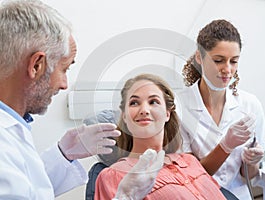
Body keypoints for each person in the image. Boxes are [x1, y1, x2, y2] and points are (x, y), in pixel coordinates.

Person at [0, 1, 163, 199]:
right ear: (36, 65)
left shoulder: (12, 129)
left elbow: (28, 187)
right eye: (64, 69)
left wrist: (62, 154)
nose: (64, 84)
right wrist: (124, 197)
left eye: (154, 101)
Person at [94, 73, 228, 200]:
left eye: (153, 102)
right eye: (134, 103)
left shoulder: (189, 161)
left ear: (167, 114)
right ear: (124, 115)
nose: (144, 110)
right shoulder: (115, 175)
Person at [178, 19, 265, 199]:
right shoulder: (179, 107)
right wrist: (225, 146)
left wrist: (252, 161)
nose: (227, 69)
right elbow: (190, 177)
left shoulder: (250, 105)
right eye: (218, 60)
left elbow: (248, 176)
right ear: (199, 57)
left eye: (234, 61)